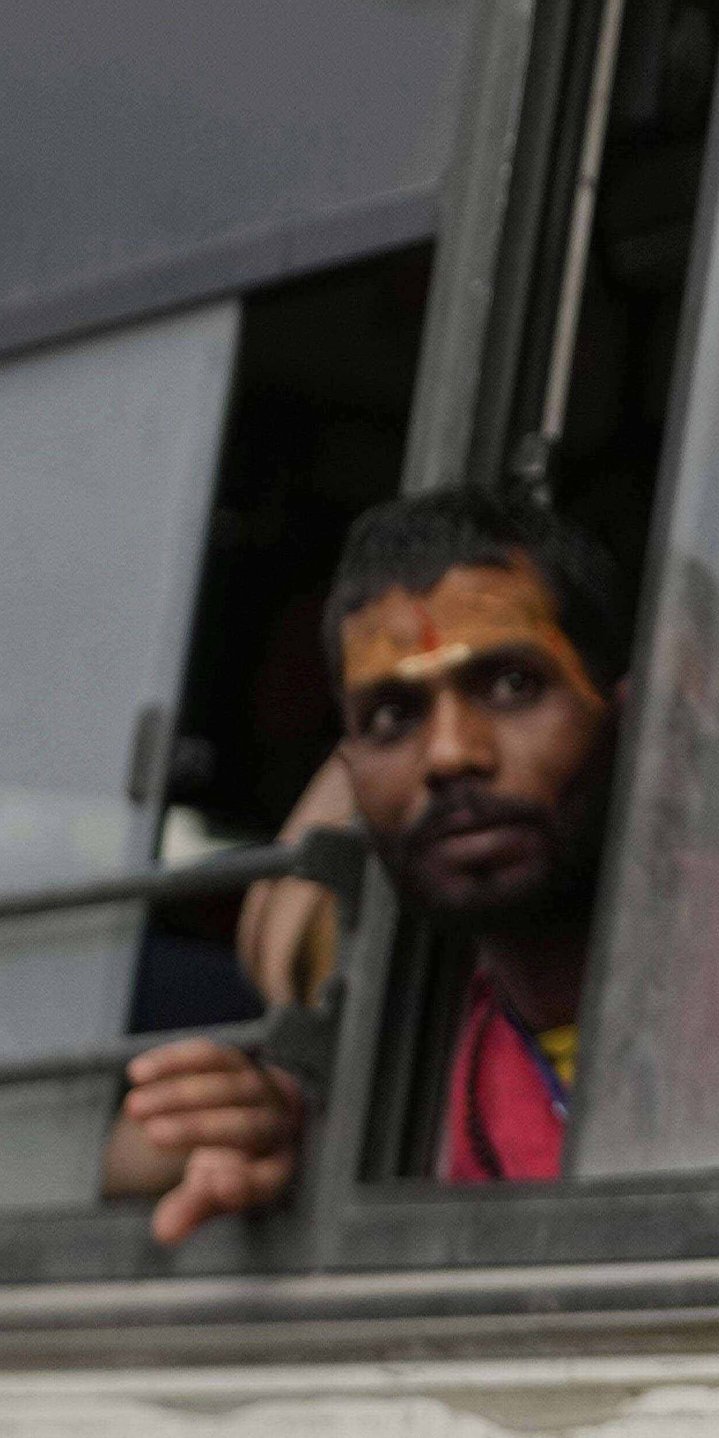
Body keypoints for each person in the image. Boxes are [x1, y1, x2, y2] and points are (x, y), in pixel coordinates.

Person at [112, 486, 629, 1233]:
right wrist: (264, 1134)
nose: (449, 754)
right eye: (392, 716)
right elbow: (123, 1161)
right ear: (350, 770)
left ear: (627, 710)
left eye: (513, 684)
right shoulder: (401, 1057)